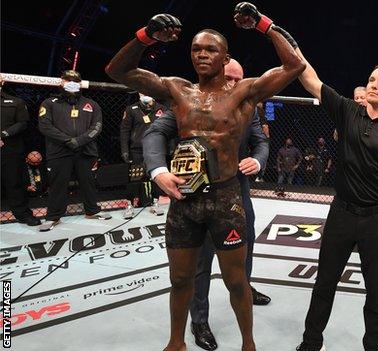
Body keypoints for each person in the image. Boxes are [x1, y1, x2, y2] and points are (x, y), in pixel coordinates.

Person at [105, 3, 305, 350]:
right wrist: (145, 36)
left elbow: (295, 65)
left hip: (226, 198)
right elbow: (117, 70)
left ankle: (248, 343)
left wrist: (261, 23)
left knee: (236, 281)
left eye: (210, 49)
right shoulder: (178, 90)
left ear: (225, 57)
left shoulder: (243, 93)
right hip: (185, 198)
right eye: (196, 48)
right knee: (181, 278)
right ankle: (176, 342)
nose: (201, 54)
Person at [293, 46, 378, 350]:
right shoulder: (347, 111)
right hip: (341, 213)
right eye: (371, 79)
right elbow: (309, 78)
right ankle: (310, 343)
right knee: (324, 284)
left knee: (377, 293)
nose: (373, 85)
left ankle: (373, 347)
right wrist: (278, 33)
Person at [142, 58, 271, 351]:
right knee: (197, 265)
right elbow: (155, 133)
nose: (234, 84)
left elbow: (261, 142)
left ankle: (245, 292)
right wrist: (158, 170)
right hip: (194, 195)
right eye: (230, 78)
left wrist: (258, 160)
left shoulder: (247, 107)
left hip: (235, 192)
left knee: (241, 258)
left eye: (239, 79)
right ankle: (199, 321)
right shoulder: (188, 104)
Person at [38, 70, 111, 232]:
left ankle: (92, 211)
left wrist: (79, 141)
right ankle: (53, 217)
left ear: (80, 83)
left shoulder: (92, 104)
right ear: (61, 82)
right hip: (59, 150)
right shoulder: (49, 103)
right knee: (57, 184)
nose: (71, 82)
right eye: (68, 79)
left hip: (85, 150)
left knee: (89, 182)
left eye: (75, 80)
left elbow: (97, 127)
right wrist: (67, 140)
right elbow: (45, 126)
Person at [0, 76, 41, 226]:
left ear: (2, 82)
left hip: (10, 150)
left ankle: (23, 214)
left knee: (15, 183)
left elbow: (23, 123)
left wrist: (3, 134)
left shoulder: (16, 102)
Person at [119, 93, 166, 218]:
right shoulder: (131, 109)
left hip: (156, 148)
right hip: (137, 149)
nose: (145, 95)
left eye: (147, 92)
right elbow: (124, 131)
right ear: (139, 94)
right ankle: (129, 205)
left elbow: (168, 129)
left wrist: (169, 147)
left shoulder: (162, 109)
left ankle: (155, 203)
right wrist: (125, 150)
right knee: (134, 177)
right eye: (142, 92)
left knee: (156, 176)